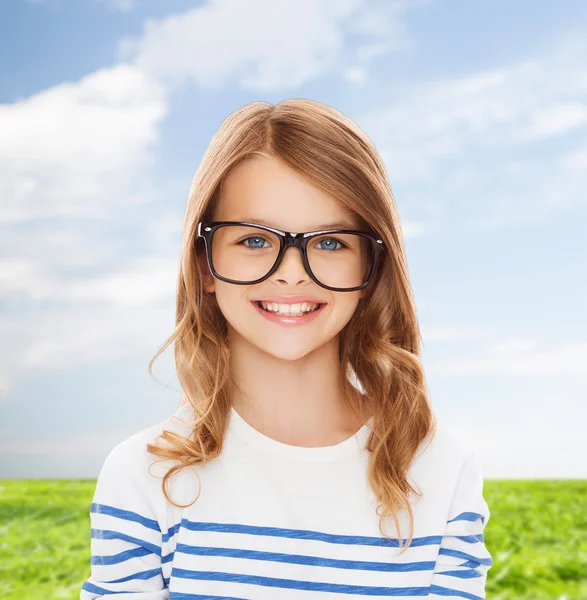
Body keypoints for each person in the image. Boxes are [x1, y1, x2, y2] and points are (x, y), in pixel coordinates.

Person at [80, 99, 493, 599]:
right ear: (205, 264)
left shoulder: (442, 472)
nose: (291, 271)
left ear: (372, 268)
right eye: (255, 240)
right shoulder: (145, 477)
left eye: (330, 242)